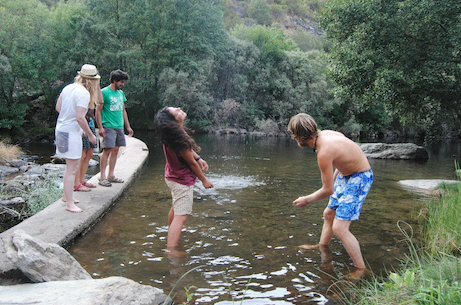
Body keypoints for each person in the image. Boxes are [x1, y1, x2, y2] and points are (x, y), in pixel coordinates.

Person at [288, 113, 374, 279]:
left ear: (299, 137)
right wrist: (336, 180)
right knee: (328, 214)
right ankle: (322, 246)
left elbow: (327, 190)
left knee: (339, 228)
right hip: (345, 175)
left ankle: (360, 270)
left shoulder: (323, 152)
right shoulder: (326, 134)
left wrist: (306, 199)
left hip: (360, 177)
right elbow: (342, 159)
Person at [155, 106, 214, 249]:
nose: (179, 108)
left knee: (177, 207)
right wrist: (204, 180)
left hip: (172, 177)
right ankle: (172, 251)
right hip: (181, 181)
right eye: (175, 111)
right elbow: (191, 164)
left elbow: (189, 152)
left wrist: (199, 158)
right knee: (181, 216)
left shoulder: (174, 134)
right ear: (173, 120)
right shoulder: (177, 137)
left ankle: (171, 231)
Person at [55, 64, 99, 213]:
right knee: (72, 168)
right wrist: (91, 134)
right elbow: (80, 117)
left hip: (60, 129)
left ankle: (67, 197)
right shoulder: (84, 93)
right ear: (92, 81)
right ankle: (69, 204)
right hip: (71, 133)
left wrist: (69, 118)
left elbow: (58, 108)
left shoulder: (68, 87)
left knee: (70, 167)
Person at [96, 69, 133, 187]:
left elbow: (123, 110)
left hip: (119, 126)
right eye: (121, 82)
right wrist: (100, 127)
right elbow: (98, 111)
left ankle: (111, 175)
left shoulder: (121, 93)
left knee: (116, 151)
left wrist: (128, 126)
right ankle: (102, 177)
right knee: (107, 150)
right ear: (114, 81)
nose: (122, 84)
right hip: (108, 126)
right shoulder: (104, 92)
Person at [73, 108, 98, 192]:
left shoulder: (92, 100)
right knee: (81, 156)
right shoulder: (82, 96)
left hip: (91, 125)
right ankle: (76, 183)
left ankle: (82, 180)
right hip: (82, 126)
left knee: (89, 154)